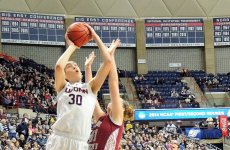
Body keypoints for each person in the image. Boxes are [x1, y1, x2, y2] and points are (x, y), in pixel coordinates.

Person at [46, 23, 113, 150]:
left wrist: (95, 36)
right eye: (70, 66)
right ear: (65, 75)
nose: (75, 66)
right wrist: (73, 46)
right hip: (59, 138)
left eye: (76, 65)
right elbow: (59, 67)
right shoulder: (62, 87)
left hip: (80, 142)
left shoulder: (90, 88)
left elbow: (108, 62)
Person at [86, 39, 130, 150]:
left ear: (122, 109)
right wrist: (88, 67)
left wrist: (111, 56)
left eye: (118, 100)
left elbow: (113, 84)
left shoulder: (116, 118)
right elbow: (90, 93)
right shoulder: (101, 118)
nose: (114, 100)